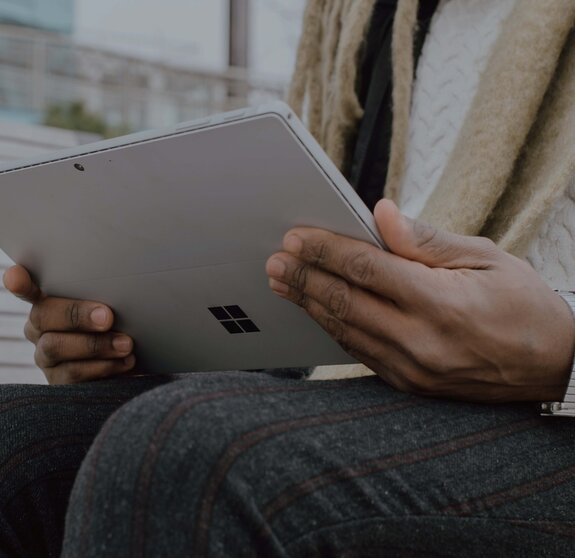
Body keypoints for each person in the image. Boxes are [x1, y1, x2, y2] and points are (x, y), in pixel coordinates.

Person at [1, 0, 575, 556]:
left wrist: (559, 351)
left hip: (554, 416)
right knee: (13, 436)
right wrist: (140, 334)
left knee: (189, 452)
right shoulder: (370, 17)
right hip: (375, 380)